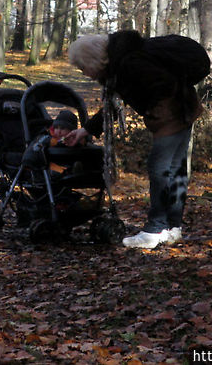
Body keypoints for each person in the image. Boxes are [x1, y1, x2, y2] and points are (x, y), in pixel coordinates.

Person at [67, 30, 204, 249]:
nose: (84, 73)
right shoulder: (122, 63)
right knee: (175, 169)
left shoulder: (129, 64)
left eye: (83, 67)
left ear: (93, 60)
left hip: (172, 114)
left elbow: (163, 84)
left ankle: (154, 230)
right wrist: (87, 130)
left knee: (160, 169)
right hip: (183, 109)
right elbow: (113, 104)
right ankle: (172, 227)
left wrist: (150, 108)